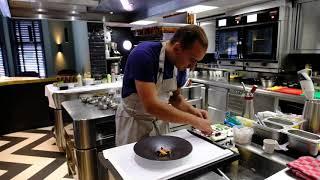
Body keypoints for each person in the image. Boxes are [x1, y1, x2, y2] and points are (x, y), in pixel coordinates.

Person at [115, 25, 213, 146]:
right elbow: (151, 106)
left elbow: (175, 99)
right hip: (134, 124)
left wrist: (194, 112)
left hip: (160, 124)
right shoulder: (143, 55)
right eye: (192, 59)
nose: (192, 67)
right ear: (177, 48)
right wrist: (195, 121)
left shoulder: (180, 65)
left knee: (162, 160)